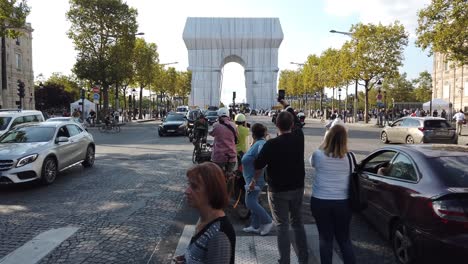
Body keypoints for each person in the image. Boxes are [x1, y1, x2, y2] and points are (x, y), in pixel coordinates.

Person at [253, 100, 308, 264]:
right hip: (297, 187)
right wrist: (286, 105)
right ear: (292, 124)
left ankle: (285, 260)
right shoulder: (299, 137)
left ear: (276, 125)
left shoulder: (271, 144)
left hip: (277, 190)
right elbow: (297, 120)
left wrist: (254, 181)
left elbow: (258, 165)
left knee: (282, 226)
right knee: (298, 223)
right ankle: (304, 258)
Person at [310, 124, 356, 264]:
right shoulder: (350, 157)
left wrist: (324, 142)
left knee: (325, 239)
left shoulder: (318, 154)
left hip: (320, 201)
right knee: (344, 239)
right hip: (343, 202)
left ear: (328, 137)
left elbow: (312, 163)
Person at [174, 162, 236, 264]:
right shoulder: (205, 219)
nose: (187, 191)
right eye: (189, 184)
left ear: (211, 191)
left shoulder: (218, 236)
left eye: (194, 186)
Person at [241, 123, 273, 235]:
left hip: (255, 179)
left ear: (253, 134)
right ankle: (255, 226)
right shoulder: (258, 143)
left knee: (249, 202)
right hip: (251, 178)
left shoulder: (261, 144)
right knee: (253, 201)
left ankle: (268, 221)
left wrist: (254, 180)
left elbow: (261, 163)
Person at [209, 108, 238, 173]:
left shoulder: (216, 125)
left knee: (217, 175)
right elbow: (236, 136)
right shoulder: (233, 125)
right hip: (231, 155)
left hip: (219, 156)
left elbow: (211, 133)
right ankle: (230, 181)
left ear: (219, 116)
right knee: (230, 175)